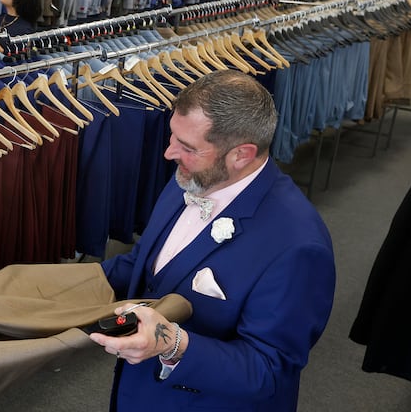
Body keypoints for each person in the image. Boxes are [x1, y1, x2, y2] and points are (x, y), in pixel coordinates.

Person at [89, 70, 336, 411]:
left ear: (242, 154)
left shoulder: (299, 247)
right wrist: (44, 291)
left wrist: (173, 345)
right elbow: (144, 266)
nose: (168, 153)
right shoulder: (189, 178)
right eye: (172, 136)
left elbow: (268, 371)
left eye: (187, 147)